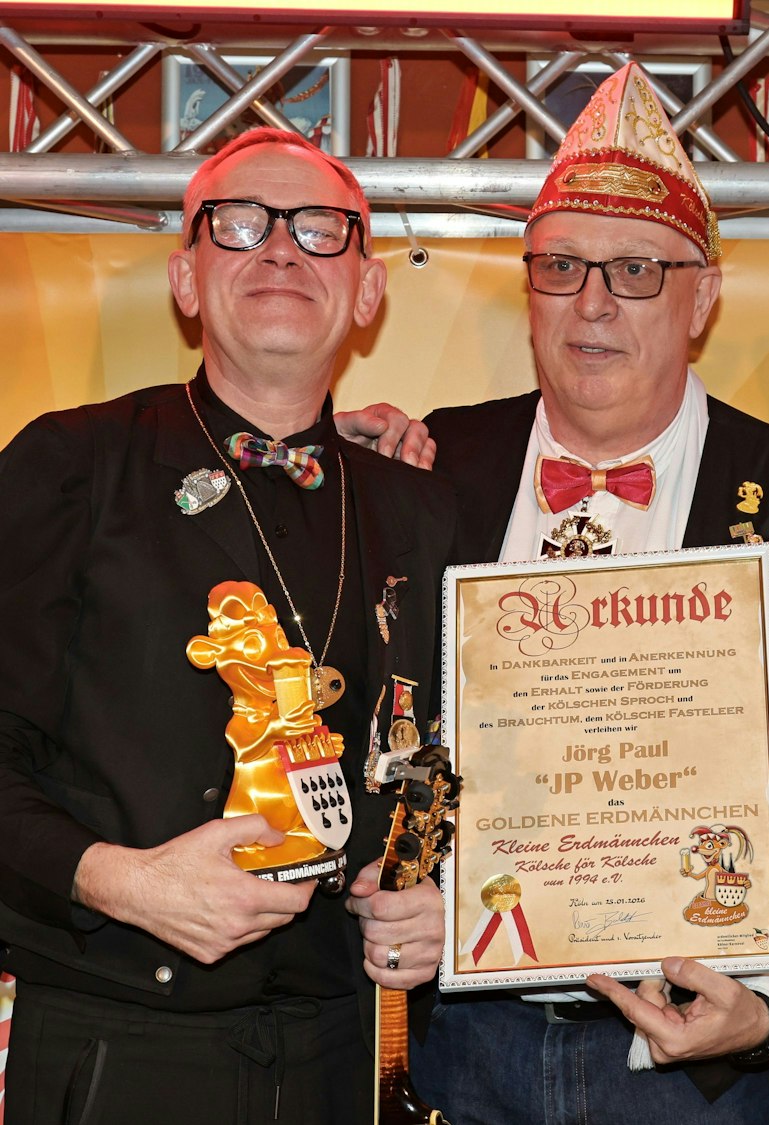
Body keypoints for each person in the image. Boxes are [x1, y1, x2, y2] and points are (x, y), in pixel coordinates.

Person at [405, 64, 769, 1123]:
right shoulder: (435, 464)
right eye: (560, 266)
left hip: (688, 1057)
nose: (593, 304)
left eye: (636, 272)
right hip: (466, 1041)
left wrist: (767, 1006)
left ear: (703, 295)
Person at [0, 127, 456, 1123]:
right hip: (114, 1045)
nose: (281, 248)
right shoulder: (69, 466)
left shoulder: (420, 512)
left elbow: (443, 769)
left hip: (337, 1051)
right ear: (187, 279)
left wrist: (438, 905)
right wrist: (116, 881)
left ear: (368, 292)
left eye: (321, 228)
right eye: (240, 223)